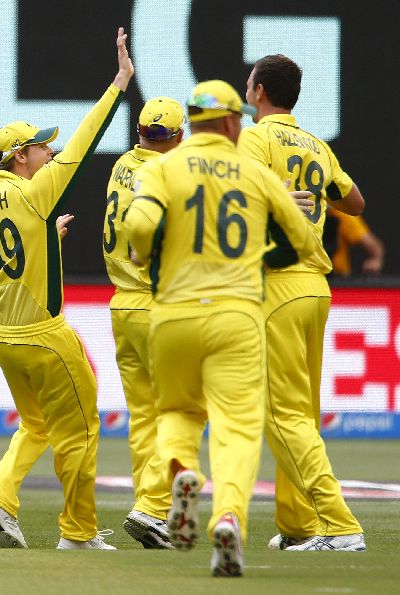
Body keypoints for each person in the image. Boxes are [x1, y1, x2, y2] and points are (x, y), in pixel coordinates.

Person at [125, 80, 316, 576]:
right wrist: (259, 260)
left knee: (176, 413)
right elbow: (303, 241)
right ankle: (228, 517)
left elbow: (140, 227)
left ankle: (183, 473)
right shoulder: (254, 173)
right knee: (236, 427)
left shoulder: (164, 167)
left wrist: (145, 255)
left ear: (193, 121)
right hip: (237, 315)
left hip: (173, 315)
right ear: (232, 122)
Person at [0, 27, 134, 551]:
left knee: (36, 425)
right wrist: (119, 83)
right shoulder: (37, 193)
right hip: (44, 335)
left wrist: (45, 239)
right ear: (20, 156)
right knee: (81, 431)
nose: (51, 150)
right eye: (41, 146)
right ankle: (78, 533)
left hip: (4, 340)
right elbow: (85, 141)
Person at [239, 54, 367, 552]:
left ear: (260, 92)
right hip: (316, 287)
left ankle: (340, 526)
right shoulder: (316, 143)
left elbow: (240, 195)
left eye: (249, 83)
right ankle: (298, 525)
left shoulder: (255, 138)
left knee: (281, 415)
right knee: (301, 414)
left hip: (276, 285)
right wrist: (309, 195)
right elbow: (354, 203)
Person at [104, 96, 183, 549]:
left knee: (143, 417)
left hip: (121, 304)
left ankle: (149, 506)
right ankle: (153, 506)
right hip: (158, 302)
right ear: (178, 137)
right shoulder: (168, 175)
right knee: (178, 410)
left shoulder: (122, 165)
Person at [325, 209, 384, 277]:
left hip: (337, 277)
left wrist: (375, 260)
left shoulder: (342, 214)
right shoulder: (310, 215)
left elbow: (373, 245)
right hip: (312, 274)